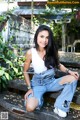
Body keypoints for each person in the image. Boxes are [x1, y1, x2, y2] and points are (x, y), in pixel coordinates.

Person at [23, 25, 79, 118]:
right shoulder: (30, 53)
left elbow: (58, 65)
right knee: (29, 107)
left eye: (47, 37)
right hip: (37, 84)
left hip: (51, 82)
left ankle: (60, 107)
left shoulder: (52, 51)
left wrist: (69, 71)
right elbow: (25, 71)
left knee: (73, 78)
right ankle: (39, 99)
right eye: (41, 36)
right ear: (36, 36)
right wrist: (29, 88)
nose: (44, 40)